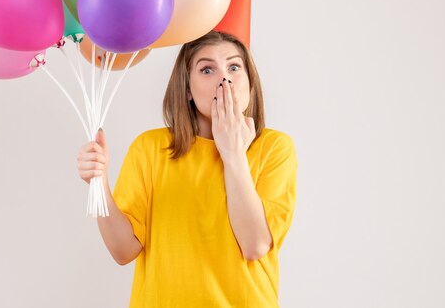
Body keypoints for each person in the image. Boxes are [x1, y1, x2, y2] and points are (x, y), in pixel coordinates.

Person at [77, 30, 298, 307]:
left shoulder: (275, 148)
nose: (224, 79)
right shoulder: (150, 148)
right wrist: (98, 182)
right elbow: (123, 250)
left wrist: (233, 153)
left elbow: (254, 246)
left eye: (234, 66)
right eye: (207, 69)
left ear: (250, 83)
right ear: (187, 90)